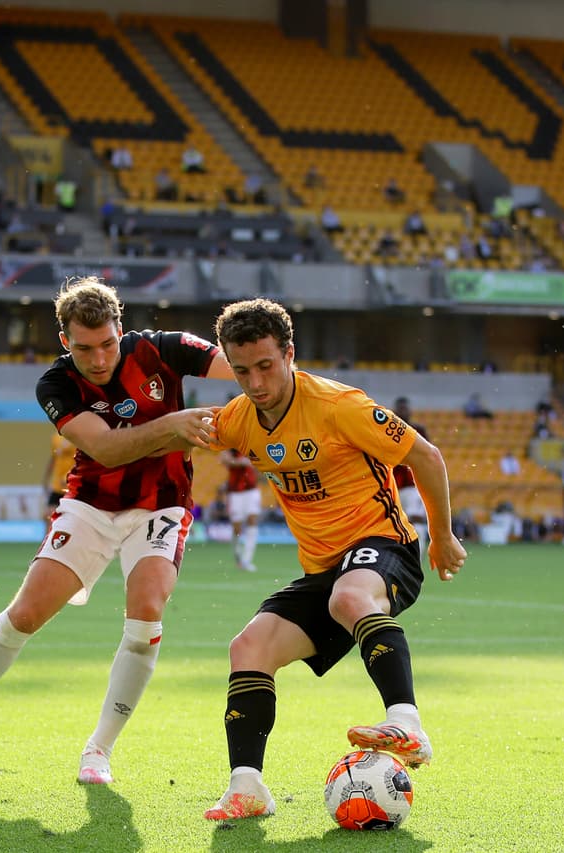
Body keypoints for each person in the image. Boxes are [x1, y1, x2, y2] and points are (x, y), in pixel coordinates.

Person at [0, 277, 235, 785]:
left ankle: (99, 749)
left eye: (108, 345)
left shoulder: (166, 349)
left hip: (162, 505)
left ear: (122, 328)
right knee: (23, 615)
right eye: (84, 348)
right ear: (64, 342)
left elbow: (248, 369)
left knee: (146, 612)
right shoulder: (55, 384)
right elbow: (110, 450)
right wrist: (175, 426)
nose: (98, 359)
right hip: (90, 504)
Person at [202, 298, 466, 821]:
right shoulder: (238, 419)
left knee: (350, 594)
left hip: (385, 547)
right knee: (249, 646)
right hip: (324, 571)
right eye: (241, 371)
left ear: (289, 354)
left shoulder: (339, 406)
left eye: (265, 366)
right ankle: (247, 787)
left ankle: (407, 724)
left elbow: (426, 456)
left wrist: (442, 537)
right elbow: (187, 437)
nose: (254, 383)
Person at [220, 448, 261, 572]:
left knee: (252, 520)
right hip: (236, 493)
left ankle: (247, 560)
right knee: (236, 527)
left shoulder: (250, 444)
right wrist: (241, 461)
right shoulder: (231, 448)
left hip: (251, 490)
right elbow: (224, 459)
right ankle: (238, 556)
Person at [391, 397, 429, 527]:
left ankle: (418, 546)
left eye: (404, 409)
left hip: (413, 483)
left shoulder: (418, 430)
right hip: (393, 484)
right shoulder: (387, 430)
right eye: (400, 409)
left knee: (414, 518)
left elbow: (426, 454)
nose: (403, 412)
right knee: (397, 520)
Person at [43, 430, 77, 534]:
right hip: (58, 486)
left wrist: (67, 476)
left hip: (73, 485)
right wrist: (45, 478)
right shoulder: (55, 438)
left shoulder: (77, 437)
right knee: (48, 516)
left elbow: (81, 460)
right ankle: (46, 546)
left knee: (73, 518)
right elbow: (54, 458)